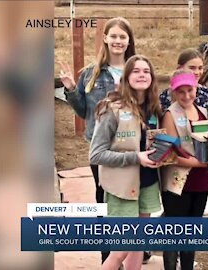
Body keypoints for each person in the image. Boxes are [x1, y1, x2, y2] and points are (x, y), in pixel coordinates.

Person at [58, 16, 136, 264]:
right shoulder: (90, 74)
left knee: (133, 198)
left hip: (132, 145)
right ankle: (108, 256)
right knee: (104, 199)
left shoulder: (137, 69)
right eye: (113, 36)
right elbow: (83, 111)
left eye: (122, 36)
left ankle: (133, 249)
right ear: (105, 38)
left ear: (128, 41)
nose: (118, 41)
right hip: (101, 148)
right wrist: (71, 89)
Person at [89, 55, 163, 270]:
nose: (142, 75)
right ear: (126, 76)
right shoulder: (111, 108)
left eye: (146, 71)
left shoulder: (154, 108)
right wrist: (135, 157)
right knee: (121, 249)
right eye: (136, 71)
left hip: (147, 183)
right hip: (121, 187)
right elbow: (96, 154)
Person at [161, 70, 208, 270]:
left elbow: (207, 142)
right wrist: (203, 163)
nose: (186, 95)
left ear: (196, 89)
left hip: (200, 180)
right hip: (179, 182)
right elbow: (171, 155)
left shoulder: (202, 111)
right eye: (180, 92)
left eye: (189, 90)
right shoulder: (170, 114)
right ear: (174, 92)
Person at [159, 48, 208, 114]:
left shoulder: (205, 93)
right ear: (179, 68)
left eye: (200, 68)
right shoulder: (166, 95)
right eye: (192, 68)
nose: (197, 72)